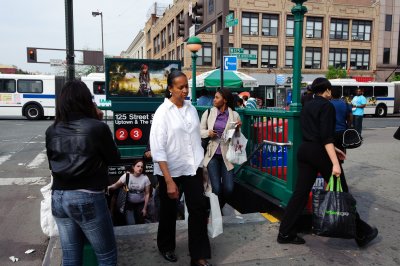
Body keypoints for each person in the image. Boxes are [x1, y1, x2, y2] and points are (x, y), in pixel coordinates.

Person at [277, 77, 378, 247]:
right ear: (328, 90)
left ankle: (285, 232)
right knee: (343, 193)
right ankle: (362, 233)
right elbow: (326, 137)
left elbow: (314, 133)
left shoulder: (307, 104)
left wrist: (334, 150)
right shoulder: (326, 106)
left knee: (300, 194)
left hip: (306, 150)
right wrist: (336, 163)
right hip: (320, 152)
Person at [46, 80, 120, 265]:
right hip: (86, 197)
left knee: (71, 257)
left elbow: (52, 164)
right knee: (106, 256)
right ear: (86, 100)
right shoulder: (96, 127)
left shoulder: (52, 130)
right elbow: (114, 158)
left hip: (58, 197)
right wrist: (98, 121)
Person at [150, 70, 211, 266]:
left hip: (192, 168)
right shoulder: (162, 113)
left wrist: (201, 168)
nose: (185, 90)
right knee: (169, 211)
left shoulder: (191, 109)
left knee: (199, 209)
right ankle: (166, 246)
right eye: (180, 87)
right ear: (170, 89)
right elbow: (158, 148)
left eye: (186, 86)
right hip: (170, 171)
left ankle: (198, 255)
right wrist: (168, 181)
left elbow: (195, 140)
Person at [200, 88, 242, 210]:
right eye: (214, 97)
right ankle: (215, 212)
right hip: (212, 154)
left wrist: (238, 129)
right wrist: (208, 133)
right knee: (216, 188)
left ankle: (216, 209)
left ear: (225, 100)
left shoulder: (234, 115)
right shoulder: (208, 112)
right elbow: (199, 131)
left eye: (217, 97)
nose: (214, 99)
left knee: (229, 189)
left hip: (227, 154)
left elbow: (237, 138)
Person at [108, 159, 151, 225]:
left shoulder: (145, 178)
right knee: (131, 222)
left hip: (140, 204)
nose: (140, 168)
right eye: (138, 166)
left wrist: (145, 208)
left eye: (142, 167)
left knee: (140, 223)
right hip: (129, 204)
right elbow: (116, 185)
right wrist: (108, 188)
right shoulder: (127, 176)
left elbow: (147, 194)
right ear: (133, 167)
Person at [330, 86, 353, 151]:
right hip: (342, 131)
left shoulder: (328, 104)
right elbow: (350, 116)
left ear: (331, 94)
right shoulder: (345, 104)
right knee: (342, 151)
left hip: (331, 132)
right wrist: (348, 125)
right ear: (340, 94)